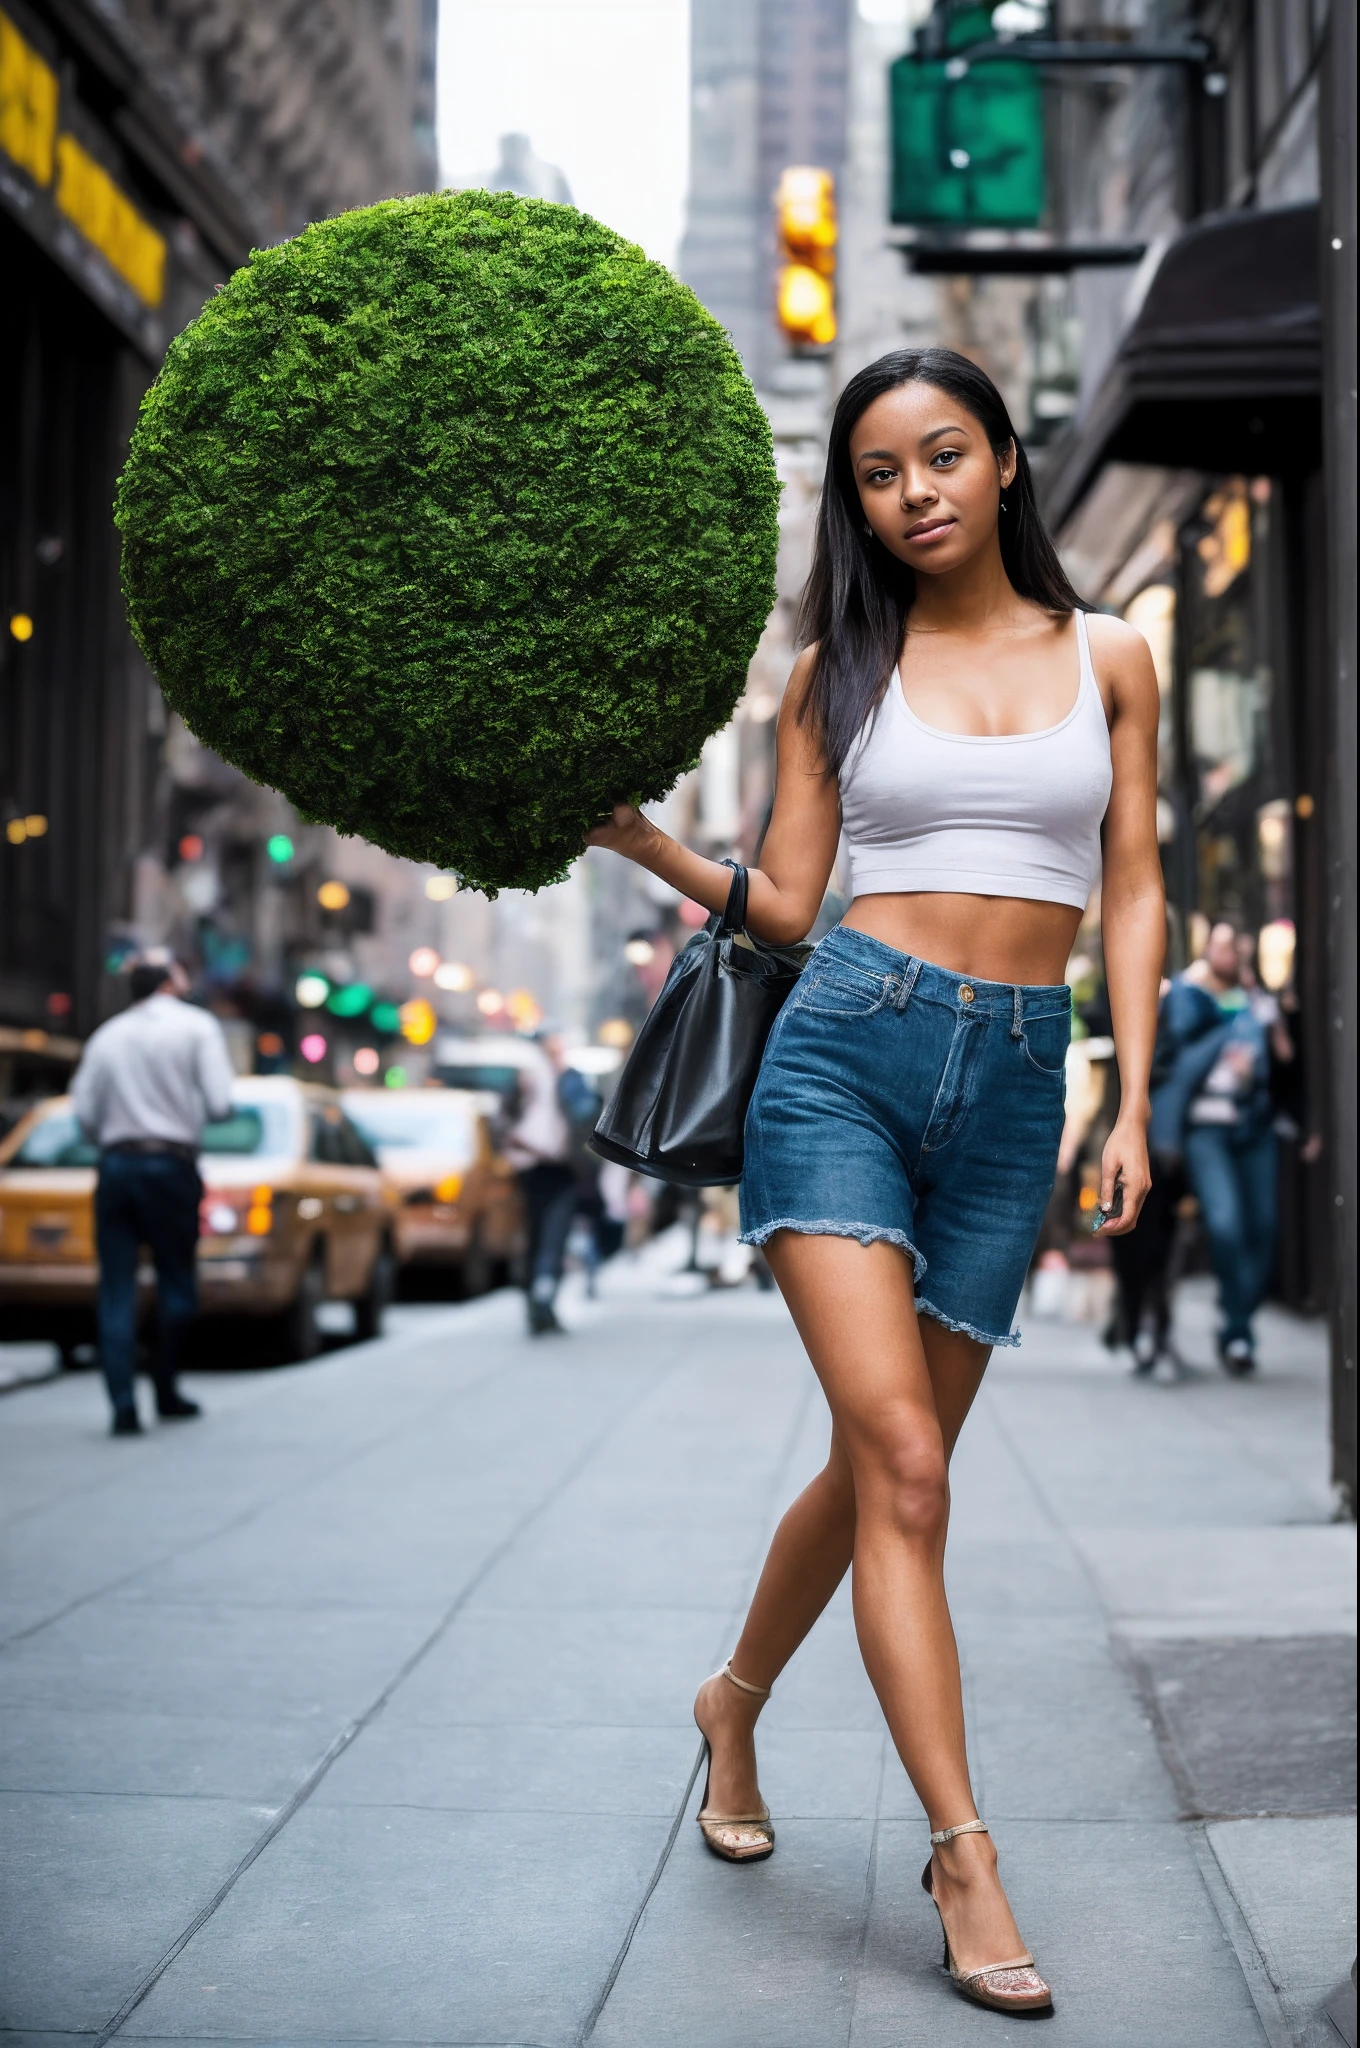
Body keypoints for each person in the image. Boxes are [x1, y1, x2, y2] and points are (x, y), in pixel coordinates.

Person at [588, 348, 1162, 2017]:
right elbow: (783, 902)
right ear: (856, 503)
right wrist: (646, 846)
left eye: (942, 456)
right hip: (844, 1055)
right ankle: (962, 1848)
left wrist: (1119, 1100)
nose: (914, 491)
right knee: (906, 1459)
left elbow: (1130, 889)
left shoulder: (1111, 654)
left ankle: (731, 1697)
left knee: (878, 1474)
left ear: (1003, 464)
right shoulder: (838, 662)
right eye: (878, 474)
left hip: (1017, 1084)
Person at [72, 955, 235, 1435]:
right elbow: (221, 1103)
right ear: (169, 982)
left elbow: (84, 1114)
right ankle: (165, 1388)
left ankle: (122, 1403)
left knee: (117, 1288)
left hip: (117, 1164)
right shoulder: (197, 1028)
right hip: (171, 1165)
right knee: (176, 1281)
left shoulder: (107, 1035)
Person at [1151, 920, 1277, 1374]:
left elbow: (1283, 1059)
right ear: (1208, 950)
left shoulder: (1258, 1000)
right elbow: (1177, 1051)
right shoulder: (1187, 993)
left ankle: (1236, 1327)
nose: (1230, 952)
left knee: (1263, 1227)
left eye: (1236, 945)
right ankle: (1237, 1330)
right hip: (1205, 1128)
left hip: (1254, 1125)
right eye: (1222, 944)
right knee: (1224, 1225)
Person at [505, 1030, 579, 1335]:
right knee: (535, 1240)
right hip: (530, 1169)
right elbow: (505, 1122)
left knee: (554, 1238)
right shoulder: (525, 1080)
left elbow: (583, 1116)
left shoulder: (569, 1079)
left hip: (562, 1169)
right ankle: (536, 1307)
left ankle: (545, 1303)